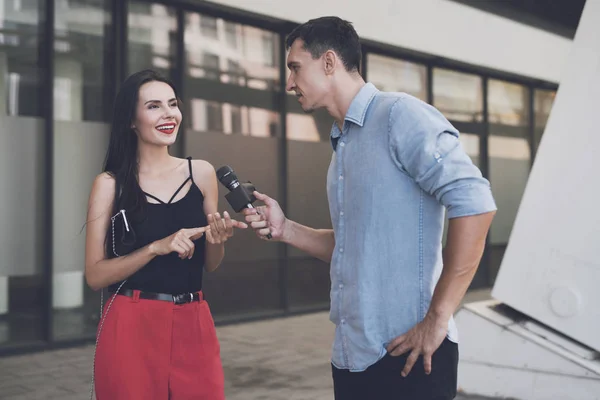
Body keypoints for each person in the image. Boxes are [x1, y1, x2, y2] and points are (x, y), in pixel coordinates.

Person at [244, 17, 497, 400]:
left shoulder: (399, 116)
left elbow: (475, 204)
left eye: (295, 67)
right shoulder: (342, 143)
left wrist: (438, 318)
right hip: (352, 358)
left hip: (411, 356)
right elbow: (352, 246)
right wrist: (285, 229)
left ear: (329, 62)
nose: (289, 82)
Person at [84, 69, 247, 400]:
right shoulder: (109, 184)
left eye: (172, 104)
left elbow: (210, 264)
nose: (168, 114)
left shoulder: (200, 173)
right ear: (132, 120)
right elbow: (95, 275)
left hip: (194, 320)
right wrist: (156, 247)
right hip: (130, 326)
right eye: (154, 106)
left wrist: (216, 241)